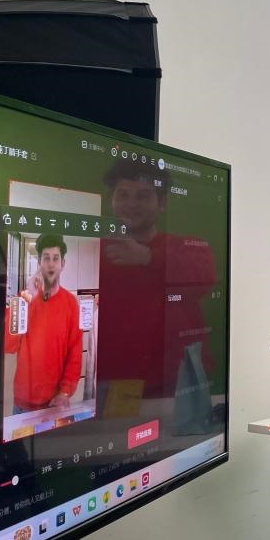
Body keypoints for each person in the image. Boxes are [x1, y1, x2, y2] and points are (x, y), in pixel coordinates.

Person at [96, 160, 215, 404]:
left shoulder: (187, 248)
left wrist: (148, 257)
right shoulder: (94, 248)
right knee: (116, 429)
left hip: (176, 380)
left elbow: (204, 279)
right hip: (113, 380)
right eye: (123, 195)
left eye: (143, 196)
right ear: (111, 200)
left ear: (161, 203)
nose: (131, 204)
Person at [3, 233, 83, 412]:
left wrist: (65, 392)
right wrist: (27, 298)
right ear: (39, 262)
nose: (51, 264)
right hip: (23, 402)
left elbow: (75, 352)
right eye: (46, 258)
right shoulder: (24, 299)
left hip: (54, 400)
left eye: (56, 258)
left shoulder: (71, 303)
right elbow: (8, 345)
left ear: (62, 263)